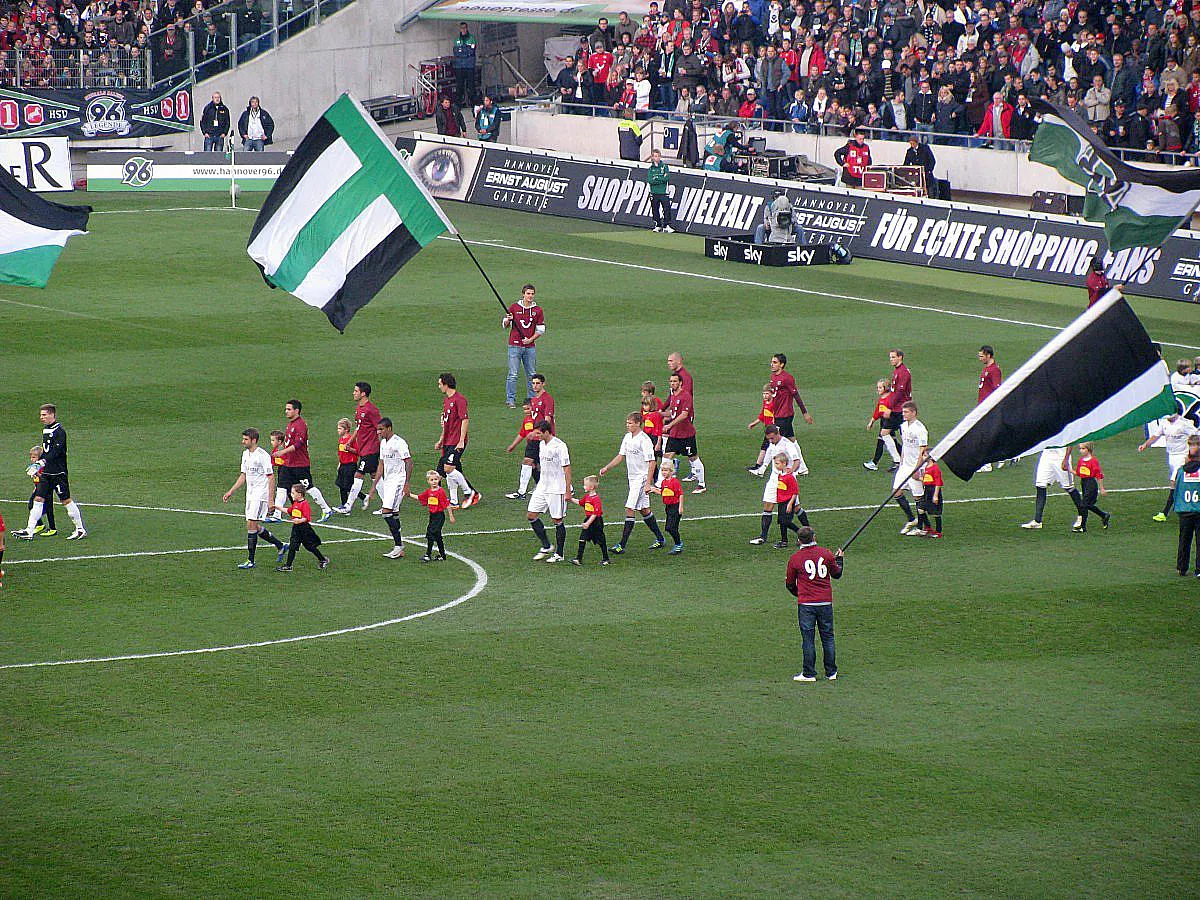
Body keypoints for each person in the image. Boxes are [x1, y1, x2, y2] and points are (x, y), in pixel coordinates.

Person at [13, 404, 87, 541]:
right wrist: (38, 465)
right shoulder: (46, 430)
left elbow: (55, 452)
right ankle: (29, 530)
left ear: (52, 415)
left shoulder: (60, 432)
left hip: (58, 473)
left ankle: (80, 529)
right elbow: (46, 451)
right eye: (41, 415)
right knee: (38, 499)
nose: (41, 417)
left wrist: (41, 462)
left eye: (44, 415)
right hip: (46, 473)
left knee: (66, 500)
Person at [599, 412, 666, 554]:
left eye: (630, 423)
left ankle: (621, 545)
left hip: (641, 479)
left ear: (638, 423)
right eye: (627, 423)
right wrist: (607, 467)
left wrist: (648, 483)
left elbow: (652, 461)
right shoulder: (627, 437)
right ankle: (660, 539)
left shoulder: (644, 440)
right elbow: (621, 455)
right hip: (632, 478)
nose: (627, 425)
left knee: (630, 508)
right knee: (644, 510)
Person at [222, 427, 287, 570]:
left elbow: (271, 478)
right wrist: (231, 491)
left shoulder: (262, 456)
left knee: (251, 524)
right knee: (254, 526)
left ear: (254, 440)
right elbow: (243, 475)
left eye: (246, 439)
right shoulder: (245, 455)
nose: (243, 442)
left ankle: (250, 560)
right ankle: (280, 545)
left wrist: (271, 500)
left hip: (260, 494)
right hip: (250, 494)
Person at [784, 525, 843, 682]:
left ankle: (809, 673)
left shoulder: (795, 558)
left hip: (806, 605)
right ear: (814, 537)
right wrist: (840, 560)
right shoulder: (826, 554)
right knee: (828, 637)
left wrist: (799, 594)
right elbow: (837, 574)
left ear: (798, 540)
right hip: (825, 602)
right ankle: (831, 672)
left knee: (808, 639)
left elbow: (790, 583)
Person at [271, 399, 332, 523]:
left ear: (296, 410)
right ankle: (277, 515)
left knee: (308, 487)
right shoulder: (290, 424)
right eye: (286, 409)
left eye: (289, 409)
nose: (286, 411)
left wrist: (282, 452)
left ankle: (326, 509)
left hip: (300, 464)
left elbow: (298, 444)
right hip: (288, 464)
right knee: (282, 488)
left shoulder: (300, 425)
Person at [750, 425, 808, 545]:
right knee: (767, 506)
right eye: (768, 439)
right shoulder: (772, 444)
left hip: (787, 481)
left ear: (777, 434)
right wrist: (762, 468)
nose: (770, 441)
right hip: (774, 479)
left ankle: (809, 532)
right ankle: (763, 537)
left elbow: (797, 460)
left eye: (772, 438)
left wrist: (791, 470)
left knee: (796, 508)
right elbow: (768, 457)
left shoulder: (788, 445)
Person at [1140, 412, 1199, 521]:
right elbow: (1155, 436)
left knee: (1174, 483)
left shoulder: (1184, 424)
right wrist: (1145, 444)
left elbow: (1196, 435)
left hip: (1183, 456)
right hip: (1171, 457)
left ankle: (1165, 512)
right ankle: (1185, 506)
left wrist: (1192, 455)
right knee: (1177, 484)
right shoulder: (1164, 423)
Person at [527, 420, 572, 563]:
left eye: (539, 433)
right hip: (543, 486)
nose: (536, 435)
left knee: (557, 520)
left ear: (547, 432)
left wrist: (567, 490)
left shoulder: (560, 446)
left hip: (557, 488)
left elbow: (567, 469)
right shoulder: (541, 444)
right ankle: (546, 545)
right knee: (531, 515)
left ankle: (559, 554)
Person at [333, 381, 381, 514]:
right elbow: (358, 428)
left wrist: (382, 445)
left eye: (356, 391)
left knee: (358, 475)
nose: (353, 393)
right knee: (375, 475)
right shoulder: (359, 409)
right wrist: (350, 441)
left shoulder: (371, 410)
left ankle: (347, 506)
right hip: (364, 448)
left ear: (363, 393)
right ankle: (389, 504)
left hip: (371, 449)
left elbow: (380, 428)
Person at [436, 373, 480, 508]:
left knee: (448, 468)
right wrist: (441, 440)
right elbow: (446, 423)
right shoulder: (447, 401)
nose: (439, 387)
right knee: (452, 471)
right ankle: (454, 500)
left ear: (446, 384)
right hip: (448, 441)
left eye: (439, 384)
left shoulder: (459, 400)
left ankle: (470, 493)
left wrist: (461, 440)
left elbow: (464, 420)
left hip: (456, 441)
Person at [1021, 447, 1086, 530]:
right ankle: (1037, 521)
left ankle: (1081, 516)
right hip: (1047, 456)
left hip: (1061, 456)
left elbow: (1070, 442)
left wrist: (1066, 459)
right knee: (1040, 486)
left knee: (1069, 487)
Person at [866, 349, 910, 472]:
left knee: (892, 434)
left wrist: (890, 408)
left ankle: (900, 460)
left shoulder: (903, 373)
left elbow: (899, 393)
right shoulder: (897, 371)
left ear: (900, 357)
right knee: (891, 434)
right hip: (898, 408)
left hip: (899, 409)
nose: (891, 359)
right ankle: (901, 459)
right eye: (890, 357)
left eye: (893, 357)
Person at [502, 284, 545, 409]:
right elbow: (504, 325)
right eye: (528, 293)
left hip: (529, 347)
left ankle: (532, 399)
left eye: (532, 294)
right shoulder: (514, 307)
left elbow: (541, 329)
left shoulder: (538, 310)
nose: (530, 296)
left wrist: (530, 339)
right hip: (514, 346)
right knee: (513, 374)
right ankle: (510, 399)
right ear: (523, 294)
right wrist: (508, 319)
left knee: (531, 374)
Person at [663, 370, 706, 494]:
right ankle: (664, 483)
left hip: (686, 434)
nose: (672, 383)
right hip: (675, 434)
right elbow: (673, 413)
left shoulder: (686, 396)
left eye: (675, 381)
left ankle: (701, 484)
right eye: (671, 381)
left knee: (693, 458)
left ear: (681, 383)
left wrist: (669, 425)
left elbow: (684, 415)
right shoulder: (673, 395)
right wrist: (659, 414)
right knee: (666, 457)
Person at [376, 417, 413, 559]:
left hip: (399, 480)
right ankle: (399, 547)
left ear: (389, 428)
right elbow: (381, 464)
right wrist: (374, 486)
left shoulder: (399, 443)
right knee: (393, 512)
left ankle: (399, 545)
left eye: (381, 429)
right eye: (378, 429)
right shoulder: (383, 443)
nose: (379, 432)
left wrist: (406, 483)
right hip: (388, 481)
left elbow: (409, 462)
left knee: (386, 512)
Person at [276, 482, 329, 572]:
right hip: (296, 529)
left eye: (293, 493)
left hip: (304, 529)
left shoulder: (304, 504)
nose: (291, 494)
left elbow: (307, 518)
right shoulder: (296, 503)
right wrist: (277, 508)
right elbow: (289, 511)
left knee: (310, 547)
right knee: (292, 546)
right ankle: (288, 566)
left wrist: (299, 520)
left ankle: (323, 559)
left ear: (299, 494)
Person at [894, 401, 928, 535]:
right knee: (896, 492)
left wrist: (916, 469)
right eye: (903, 412)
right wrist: (901, 462)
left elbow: (923, 450)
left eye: (906, 412)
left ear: (913, 413)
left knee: (918, 497)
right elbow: (905, 446)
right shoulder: (903, 426)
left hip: (915, 467)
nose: (903, 414)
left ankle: (921, 527)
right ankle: (911, 519)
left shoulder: (920, 429)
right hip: (905, 466)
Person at [410, 470, 455, 562]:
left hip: (439, 516)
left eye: (435, 479)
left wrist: (451, 516)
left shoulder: (440, 492)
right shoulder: (429, 492)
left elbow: (447, 504)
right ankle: (442, 555)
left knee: (430, 533)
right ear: (428, 481)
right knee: (437, 536)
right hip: (432, 516)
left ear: (438, 480)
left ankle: (428, 554)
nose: (434, 481)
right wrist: (408, 494)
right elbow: (420, 498)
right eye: (432, 480)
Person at [1173, 435, 1200, 577]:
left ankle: (1181, 567)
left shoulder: (1181, 471)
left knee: (1184, 540)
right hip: (1199, 510)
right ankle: (1199, 570)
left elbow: (1175, 489)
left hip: (1184, 510)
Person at [569, 475, 610, 566]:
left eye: (585, 485)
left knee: (600, 540)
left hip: (596, 521)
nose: (584, 487)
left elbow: (596, 513)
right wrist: (570, 499)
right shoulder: (587, 496)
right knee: (582, 538)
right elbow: (580, 503)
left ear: (591, 487)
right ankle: (578, 558)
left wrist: (588, 523)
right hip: (589, 519)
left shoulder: (596, 499)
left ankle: (606, 558)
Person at [975, 345, 1003, 472]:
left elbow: (998, 389)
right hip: (982, 406)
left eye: (981, 356)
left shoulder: (994, 370)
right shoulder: (987, 368)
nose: (979, 358)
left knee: (985, 434)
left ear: (988, 355)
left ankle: (987, 464)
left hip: (989, 407)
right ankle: (1005, 454)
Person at [648, 458, 685, 553]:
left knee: (671, 527)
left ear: (671, 471)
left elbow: (680, 494)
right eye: (663, 470)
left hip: (675, 507)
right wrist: (654, 490)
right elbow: (664, 493)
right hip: (668, 507)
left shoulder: (675, 482)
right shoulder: (664, 482)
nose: (664, 472)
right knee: (670, 527)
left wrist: (680, 507)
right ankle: (678, 544)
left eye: (666, 470)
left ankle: (678, 544)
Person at [1073, 442, 1111, 532]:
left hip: (1091, 484)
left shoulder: (1093, 461)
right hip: (1084, 483)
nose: (1081, 451)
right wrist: (1069, 470)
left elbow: (1098, 475)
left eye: (1083, 448)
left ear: (1088, 449)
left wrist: (1102, 488)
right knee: (1088, 505)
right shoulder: (1081, 461)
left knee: (1084, 505)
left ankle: (1082, 526)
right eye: (1080, 449)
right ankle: (1103, 515)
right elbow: (1079, 473)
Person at [504, 400, 537, 500]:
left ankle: (521, 492)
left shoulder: (537, 418)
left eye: (528, 408)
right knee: (537, 466)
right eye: (524, 409)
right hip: (531, 444)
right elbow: (522, 433)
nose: (526, 411)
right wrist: (513, 445)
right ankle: (539, 486)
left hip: (537, 444)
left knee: (528, 462)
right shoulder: (527, 419)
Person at [864, 377, 896, 471]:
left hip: (889, 422)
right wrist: (872, 421)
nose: (878, 389)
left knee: (881, 442)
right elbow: (878, 411)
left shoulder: (890, 399)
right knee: (893, 442)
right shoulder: (882, 399)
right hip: (884, 422)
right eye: (878, 387)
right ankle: (902, 460)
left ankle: (874, 463)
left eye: (880, 388)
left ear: (886, 388)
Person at [25, 445, 57, 536]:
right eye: (31, 457)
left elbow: (44, 478)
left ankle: (52, 528)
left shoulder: (43, 466)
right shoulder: (35, 466)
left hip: (47, 488)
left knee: (49, 508)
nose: (32, 459)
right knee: (31, 505)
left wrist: (37, 473)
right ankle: (40, 525)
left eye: (34, 457)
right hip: (39, 488)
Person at [647, 149, 674, 232]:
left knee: (666, 208)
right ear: (652, 157)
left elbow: (666, 178)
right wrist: (659, 179)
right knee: (655, 209)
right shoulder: (651, 168)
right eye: (655, 156)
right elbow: (650, 181)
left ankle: (666, 225)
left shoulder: (664, 167)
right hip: (654, 192)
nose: (657, 158)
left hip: (663, 192)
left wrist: (657, 178)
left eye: (658, 156)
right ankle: (658, 225)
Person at [452, 21, 477, 106]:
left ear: (467, 28)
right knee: (459, 87)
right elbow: (456, 53)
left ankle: (473, 105)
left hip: (469, 66)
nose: (463, 30)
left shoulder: (472, 38)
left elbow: (472, 51)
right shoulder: (457, 40)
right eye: (462, 28)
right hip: (459, 66)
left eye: (465, 28)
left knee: (471, 87)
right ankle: (458, 105)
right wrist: (465, 52)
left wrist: (463, 51)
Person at [334, 418, 358, 508]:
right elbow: (341, 454)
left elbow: (358, 451)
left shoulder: (351, 439)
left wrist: (350, 449)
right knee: (341, 485)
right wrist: (340, 463)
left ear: (346, 429)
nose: (338, 430)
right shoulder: (341, 440)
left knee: (349, 486)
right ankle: (344, 504)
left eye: (340, 428)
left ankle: (363, 497)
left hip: (350, 465)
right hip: (343, 465)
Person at [918, 458, 944, 538]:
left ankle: (938, 531)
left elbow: (938, 482)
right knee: (920, 509)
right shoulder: (926, 467)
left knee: (936, 512)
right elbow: (927, 479)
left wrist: (935, 495)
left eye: (925, 455)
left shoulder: (935, 468)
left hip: (933, 490)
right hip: (927, 490)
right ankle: (928, 527)